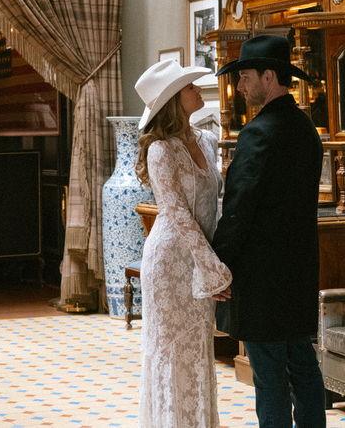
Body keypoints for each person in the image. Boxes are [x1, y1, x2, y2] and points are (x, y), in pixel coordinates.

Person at [212, 34, 326, 428]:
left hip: (263, 279)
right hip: (299, 274)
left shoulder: (259, 132)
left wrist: (218, 265)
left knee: (270, 379)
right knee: (304, 368)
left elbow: (239, 208)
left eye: (245, 76)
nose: (240, 85)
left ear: (269, 77)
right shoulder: (306, 129)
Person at [134, 59, 232, 428]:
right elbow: (177, 214)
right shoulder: (161, 150)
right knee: (172, 353)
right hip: (169, 263)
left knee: (198, 353)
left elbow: (215, 205)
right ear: (174, 99)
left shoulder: (206, 140)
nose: (197, 89)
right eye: (189, 86)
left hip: (199, 258)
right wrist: (213, 269)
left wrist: (212, 262)